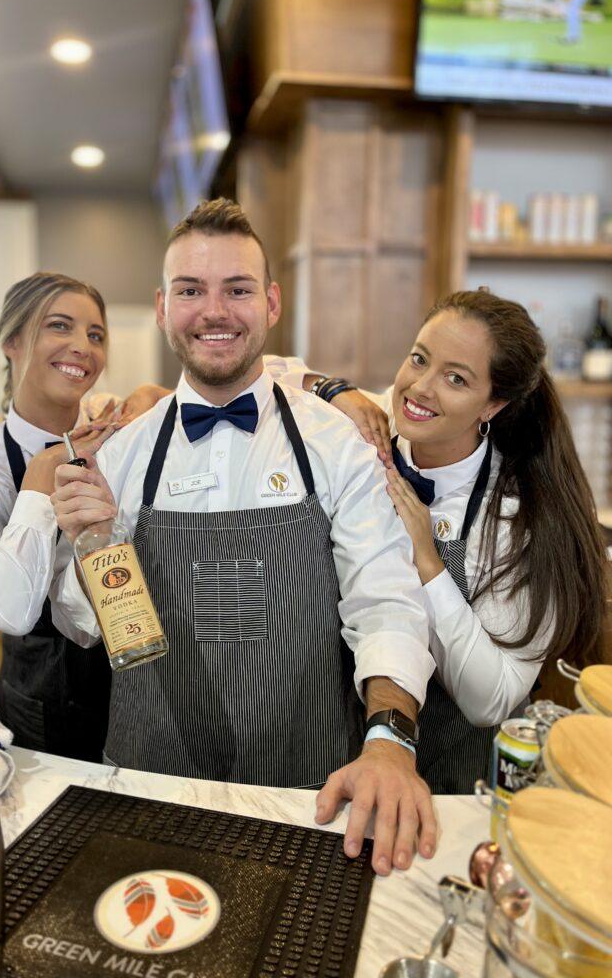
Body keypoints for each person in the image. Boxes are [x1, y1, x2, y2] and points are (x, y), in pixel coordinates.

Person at [51, 199, 439, 876]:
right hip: (151, 783)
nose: (215, 311)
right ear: (165, 307)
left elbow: (386, 602)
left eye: (236, 289)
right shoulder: (122, 453)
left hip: (308, 791)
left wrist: (388, 740)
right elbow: (86, 627)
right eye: (191, 291)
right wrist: (87, 547)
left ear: (271, 303)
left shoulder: (334, 444)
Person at [278, 289, 609, 793]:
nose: (420, 388)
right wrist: (335, 389)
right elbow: (265, 371)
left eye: (456, 378)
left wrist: (428, 562)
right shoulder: (365, 440)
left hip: (453, 787)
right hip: (333, 767)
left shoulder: (523, 518)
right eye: (418, 359)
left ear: (494, 404)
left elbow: (491, 700)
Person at [0, 272, 168, 761]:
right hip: (40, 715)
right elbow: (8, 611)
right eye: (60, 326)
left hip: (144, 696)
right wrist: (38, 485)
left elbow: (236, 367)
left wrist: (330, 389)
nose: (82, 346)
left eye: (95, 334)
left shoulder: (112, 425)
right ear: (11, 342)